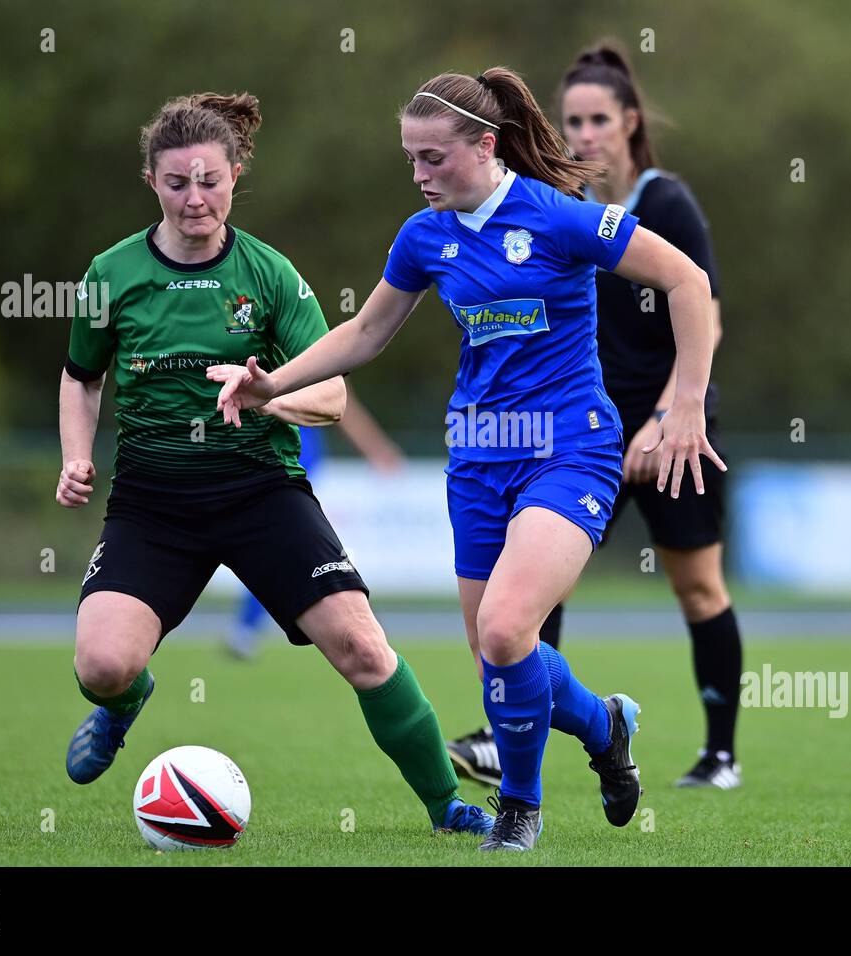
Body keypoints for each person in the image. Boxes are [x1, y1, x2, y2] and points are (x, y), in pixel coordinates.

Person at [208, 68, 722, 851]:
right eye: (410, 160)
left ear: (485, 145)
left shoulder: (560, 217)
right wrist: (272, 381)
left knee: (511, 630)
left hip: (571, 449)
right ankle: (606, 724)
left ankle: (520, 808)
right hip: (478, 461)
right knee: (499, 654)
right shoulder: (425, 236)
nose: (418, 176)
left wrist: (684, 403)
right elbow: (368, 334)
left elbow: (686, 279)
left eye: (432, 159)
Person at [57, 90, 493, 838]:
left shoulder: (269, 275)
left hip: (263, 493)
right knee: (101, 666)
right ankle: (127, 703)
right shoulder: (111, 273)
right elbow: (81, 375)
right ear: (152, 183)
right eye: (176, 183)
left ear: (234, 176)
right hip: (153, 502)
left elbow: (330, 395)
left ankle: (445, 807)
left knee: (363, 648)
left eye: (210, 181)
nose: (195, 199)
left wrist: (262, 396)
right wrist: (76, 455)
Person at [448, 43, 744, 791]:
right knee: (535, 584)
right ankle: (511, 733)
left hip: (671, 434)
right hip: (579, 438)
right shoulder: (559, 209)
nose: (582, 133)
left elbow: (702, 307)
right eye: (571, 119)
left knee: (699, 589)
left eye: (597, 119)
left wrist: (671, 416)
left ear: (629, 122)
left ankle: (719, 756)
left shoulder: (665, 203)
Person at [225, 388, 405, 660]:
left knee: (284, 547)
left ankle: (353, 616)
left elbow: (339, 399)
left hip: (291, 451)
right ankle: (356, 616)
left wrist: (375, 448)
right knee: (284, 547)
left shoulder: (298, 348)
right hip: (277, 450)